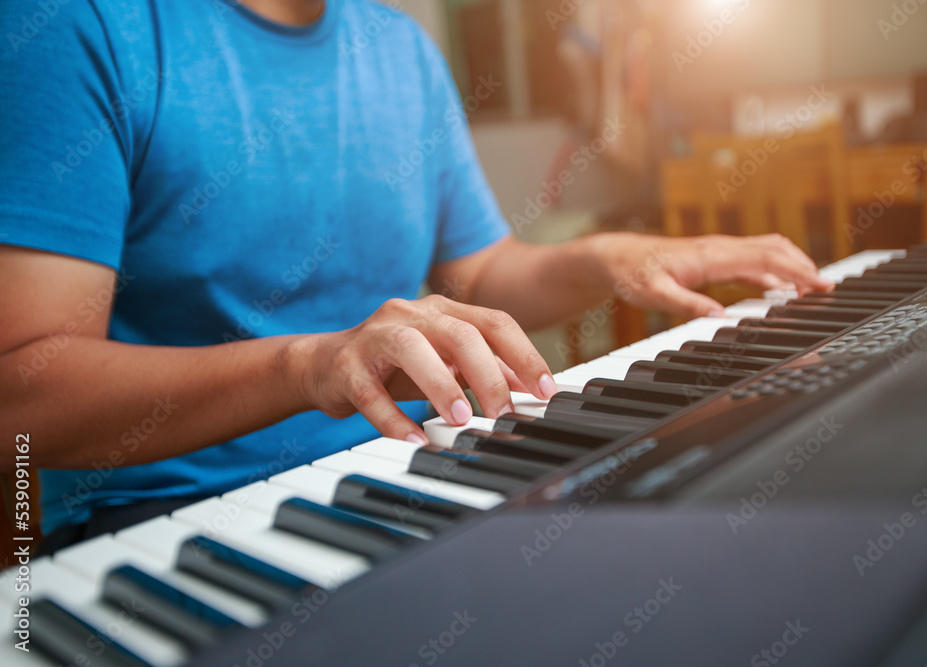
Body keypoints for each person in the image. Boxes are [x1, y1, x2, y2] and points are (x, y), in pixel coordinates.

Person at [0, 0, 831, 547]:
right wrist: (312, 362)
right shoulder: (75, 27)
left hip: (409, 475)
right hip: (158, 530)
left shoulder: (399, 46)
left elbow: (482, 271)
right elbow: (23, 396)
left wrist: (612, 255)